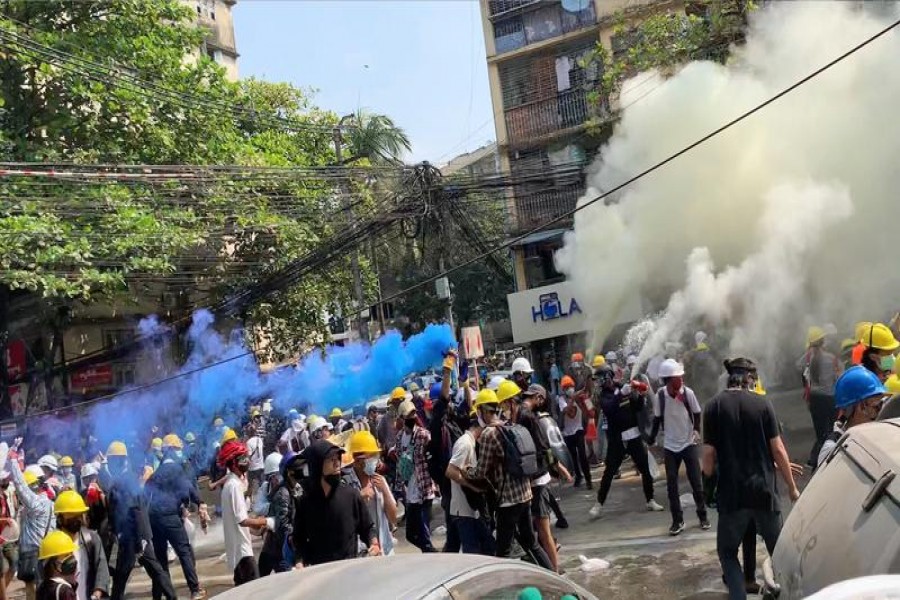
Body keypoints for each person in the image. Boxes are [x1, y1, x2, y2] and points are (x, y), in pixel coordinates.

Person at [702, 358, 801, 600]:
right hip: (764, 494)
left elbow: (708, 457)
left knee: (727, 553)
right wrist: (792, 487)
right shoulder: (763, 404)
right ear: (750, 379)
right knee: (779, 556)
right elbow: (777, 450)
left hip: (732, 496)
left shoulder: (713, 407)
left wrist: (708, 488)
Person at [466, 387, 553, 570]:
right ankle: (555, 577)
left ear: (481, 410)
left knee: (502, 552)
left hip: (509, 501)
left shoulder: (490, 434)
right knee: (531, 543)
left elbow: (481, 471)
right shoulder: (508, 425)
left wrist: (465, 471)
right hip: (525, 494)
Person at [100, 441, 176, 600]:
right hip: (133, 535)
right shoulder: (125, 479)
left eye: (111, 461)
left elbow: (135, 510)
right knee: (146, 570)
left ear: (117, 461)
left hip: (133, 535)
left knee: (127, 574)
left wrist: (139, 540)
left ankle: (172, 597)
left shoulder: (125, 481)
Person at [589, 365, 664, 518]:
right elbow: (609, 409)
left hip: (634, 435)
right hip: (617, 439)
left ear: (608, 376)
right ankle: (599, 504)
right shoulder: (605, 395)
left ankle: (650, 500)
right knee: (609, 473)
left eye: (600, 378)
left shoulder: (623, 387)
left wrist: (640, 395)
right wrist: (620, 394)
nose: (598, 383)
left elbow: (637, 407)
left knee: (645, 469)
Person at [514, 384, 573, 573]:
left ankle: (549, 566)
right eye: (543, 400)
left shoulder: (516, 413)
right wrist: (561, 468)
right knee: (544, 529)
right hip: (538, 478)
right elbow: (545, 449)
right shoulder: (530, 417)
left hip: (527, 478)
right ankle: (555, 571)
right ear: (538, 397)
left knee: (536, 528)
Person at [293, 440, 381, 565]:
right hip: (319, 572)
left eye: (338, 458)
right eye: (331, 460)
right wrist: (299, 562)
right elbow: (299, 539)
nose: (337, 463)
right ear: (317, 465)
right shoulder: (306, 503)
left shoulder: (352, 496)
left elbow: (368, 528)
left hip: (348, 570)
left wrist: (374, 544)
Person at [647, 359, 709, 536]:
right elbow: (657, 419)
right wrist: (651, 438)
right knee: (671, 485)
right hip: (670, 446)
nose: (680, 381)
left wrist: (696, 430)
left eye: (680, 378)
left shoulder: (687, 393)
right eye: (676, 378)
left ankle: (703, 516)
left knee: (696, 482)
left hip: (688, 442)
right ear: (666, 381)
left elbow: (697, 413)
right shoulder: (660, 396)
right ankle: (677, 521)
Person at [144, 434, 208, 600]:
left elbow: (146, 494)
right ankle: (195, 590)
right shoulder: (176, 469)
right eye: (178, 449)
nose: (181, 452)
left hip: (154, 519)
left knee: (161, 559)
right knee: (184, 552)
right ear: (171, 451)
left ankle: (159, 595)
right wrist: (199, 501)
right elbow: (188, 488)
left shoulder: (156, 473)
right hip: (170, 517)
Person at [218, 440, 272, 586]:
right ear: (234, 463)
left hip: (239, 552)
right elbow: (242, 520)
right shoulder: (234, 486)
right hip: (242, 554)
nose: (247, 461)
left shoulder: (230, 483)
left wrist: (255, 529)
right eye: (243, 459)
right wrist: (268, 521)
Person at [445, 407, 496, 556]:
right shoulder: (465, 444)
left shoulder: (472, 444)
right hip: (464, 510)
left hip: (471, 510)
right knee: (472, 552)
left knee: (486, 548)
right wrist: (472, 486)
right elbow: (450, 471)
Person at [816, 366, 887, 469]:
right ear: (861, 407)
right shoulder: (832, 450)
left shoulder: (873, 435)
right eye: (877, 406)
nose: (881, 411)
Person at [344, 431, 397, 556]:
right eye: (371, 456)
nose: (375, 460)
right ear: (357, 461)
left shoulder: (380, 481)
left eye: (375, 455)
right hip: (361, 552)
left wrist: (384, 490)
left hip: (384, 549)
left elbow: (393, 518)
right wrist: (358, 497)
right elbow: (342, 519)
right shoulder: (346, 484)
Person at [394, 398, 436, 552]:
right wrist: (399, 489)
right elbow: (400, 464)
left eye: (413, 414)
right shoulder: (399, 439)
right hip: (410, 493)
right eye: (408, 415)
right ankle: (433, 554)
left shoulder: (423, 435)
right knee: (411, 534)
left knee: (424, 536)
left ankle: (433, 559)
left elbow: (433, 457)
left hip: (424, 490)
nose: (412, 417)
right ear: (401, 418)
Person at [53, 491, 110, 600]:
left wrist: (98, 591)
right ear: (59, 518)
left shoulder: (91, 539)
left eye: (79, 514)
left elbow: (101, 566)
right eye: (71, 515)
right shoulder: (52, 544)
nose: (77, 519)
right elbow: (43, 579)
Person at [798, 326, 841, 467]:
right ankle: (821, 458)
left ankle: (814, 458)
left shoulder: (807, 358)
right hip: (830, 399)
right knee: (832, 429)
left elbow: (798, 366)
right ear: (823, 342)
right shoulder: (831, 359)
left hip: (814, 400)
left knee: (820, 431)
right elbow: (839, 376)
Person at [258, 452, 289, 576]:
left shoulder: (287, 490)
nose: (276, 479)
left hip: (283, 543)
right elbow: (258, 508)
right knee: (260, 572)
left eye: (278, 475)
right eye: (272, 476)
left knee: (285, 575)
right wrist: (272, 508)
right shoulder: (266, 488)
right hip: (270, 541)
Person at [558, 376, 591, 489]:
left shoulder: (580, 397)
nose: (569, 389)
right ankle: (578, 476)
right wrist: (572, 399)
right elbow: (567, 411)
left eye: (571, 386)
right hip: (568, 433)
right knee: (573, 456)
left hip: (579, 429)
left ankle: (588, 479)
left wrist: (584, 400)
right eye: (566, 387)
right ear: (563, 389)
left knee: (582, 455)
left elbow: (590, 409)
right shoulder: (561, 400)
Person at [35, 531, 78, 600]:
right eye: (66, 556)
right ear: (52, 563)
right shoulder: (64, 591)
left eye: (71, 554)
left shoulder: (42, 587)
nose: (72, 559)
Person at [0, 470, 18, 600]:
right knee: (1, 569)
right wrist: (4, 520)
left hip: (5, 536)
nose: (7, 481)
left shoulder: (5, 495)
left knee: (14, 563)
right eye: (4, 479)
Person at [245, 424, 266, 503]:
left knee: (250, 486)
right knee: (262, 485)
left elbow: (249, 457)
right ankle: (263, 500)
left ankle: (250, 502)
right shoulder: (259, 440)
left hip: (252, 468)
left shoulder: (248, 443)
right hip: (261, 466)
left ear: (249, 433)